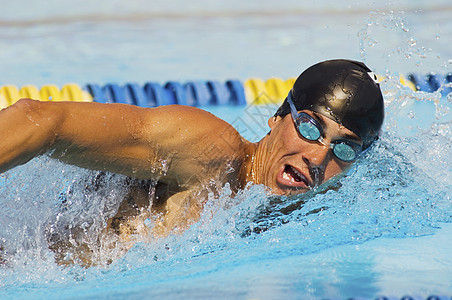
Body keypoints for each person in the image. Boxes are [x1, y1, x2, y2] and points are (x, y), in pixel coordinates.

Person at [0, 59, 384, 265]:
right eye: (310, 128)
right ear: (279, 115)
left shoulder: (299, 212)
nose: (317, 156)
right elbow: (42, 120)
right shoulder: (212, 153)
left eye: (345, 149)